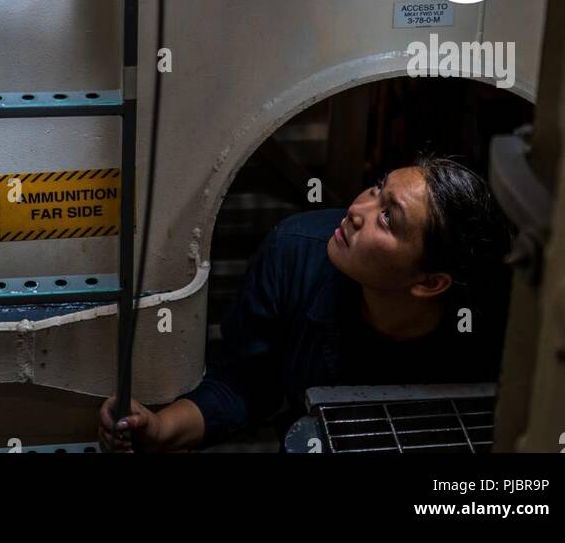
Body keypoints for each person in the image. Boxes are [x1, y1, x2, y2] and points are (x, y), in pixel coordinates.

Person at [99, 155, 512, 452]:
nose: (356, 209)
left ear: (430, 283)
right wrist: (158, 427)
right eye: (376, 188)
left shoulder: (493, 324)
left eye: (388, 217)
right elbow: (243, 386)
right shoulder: (294, 252)